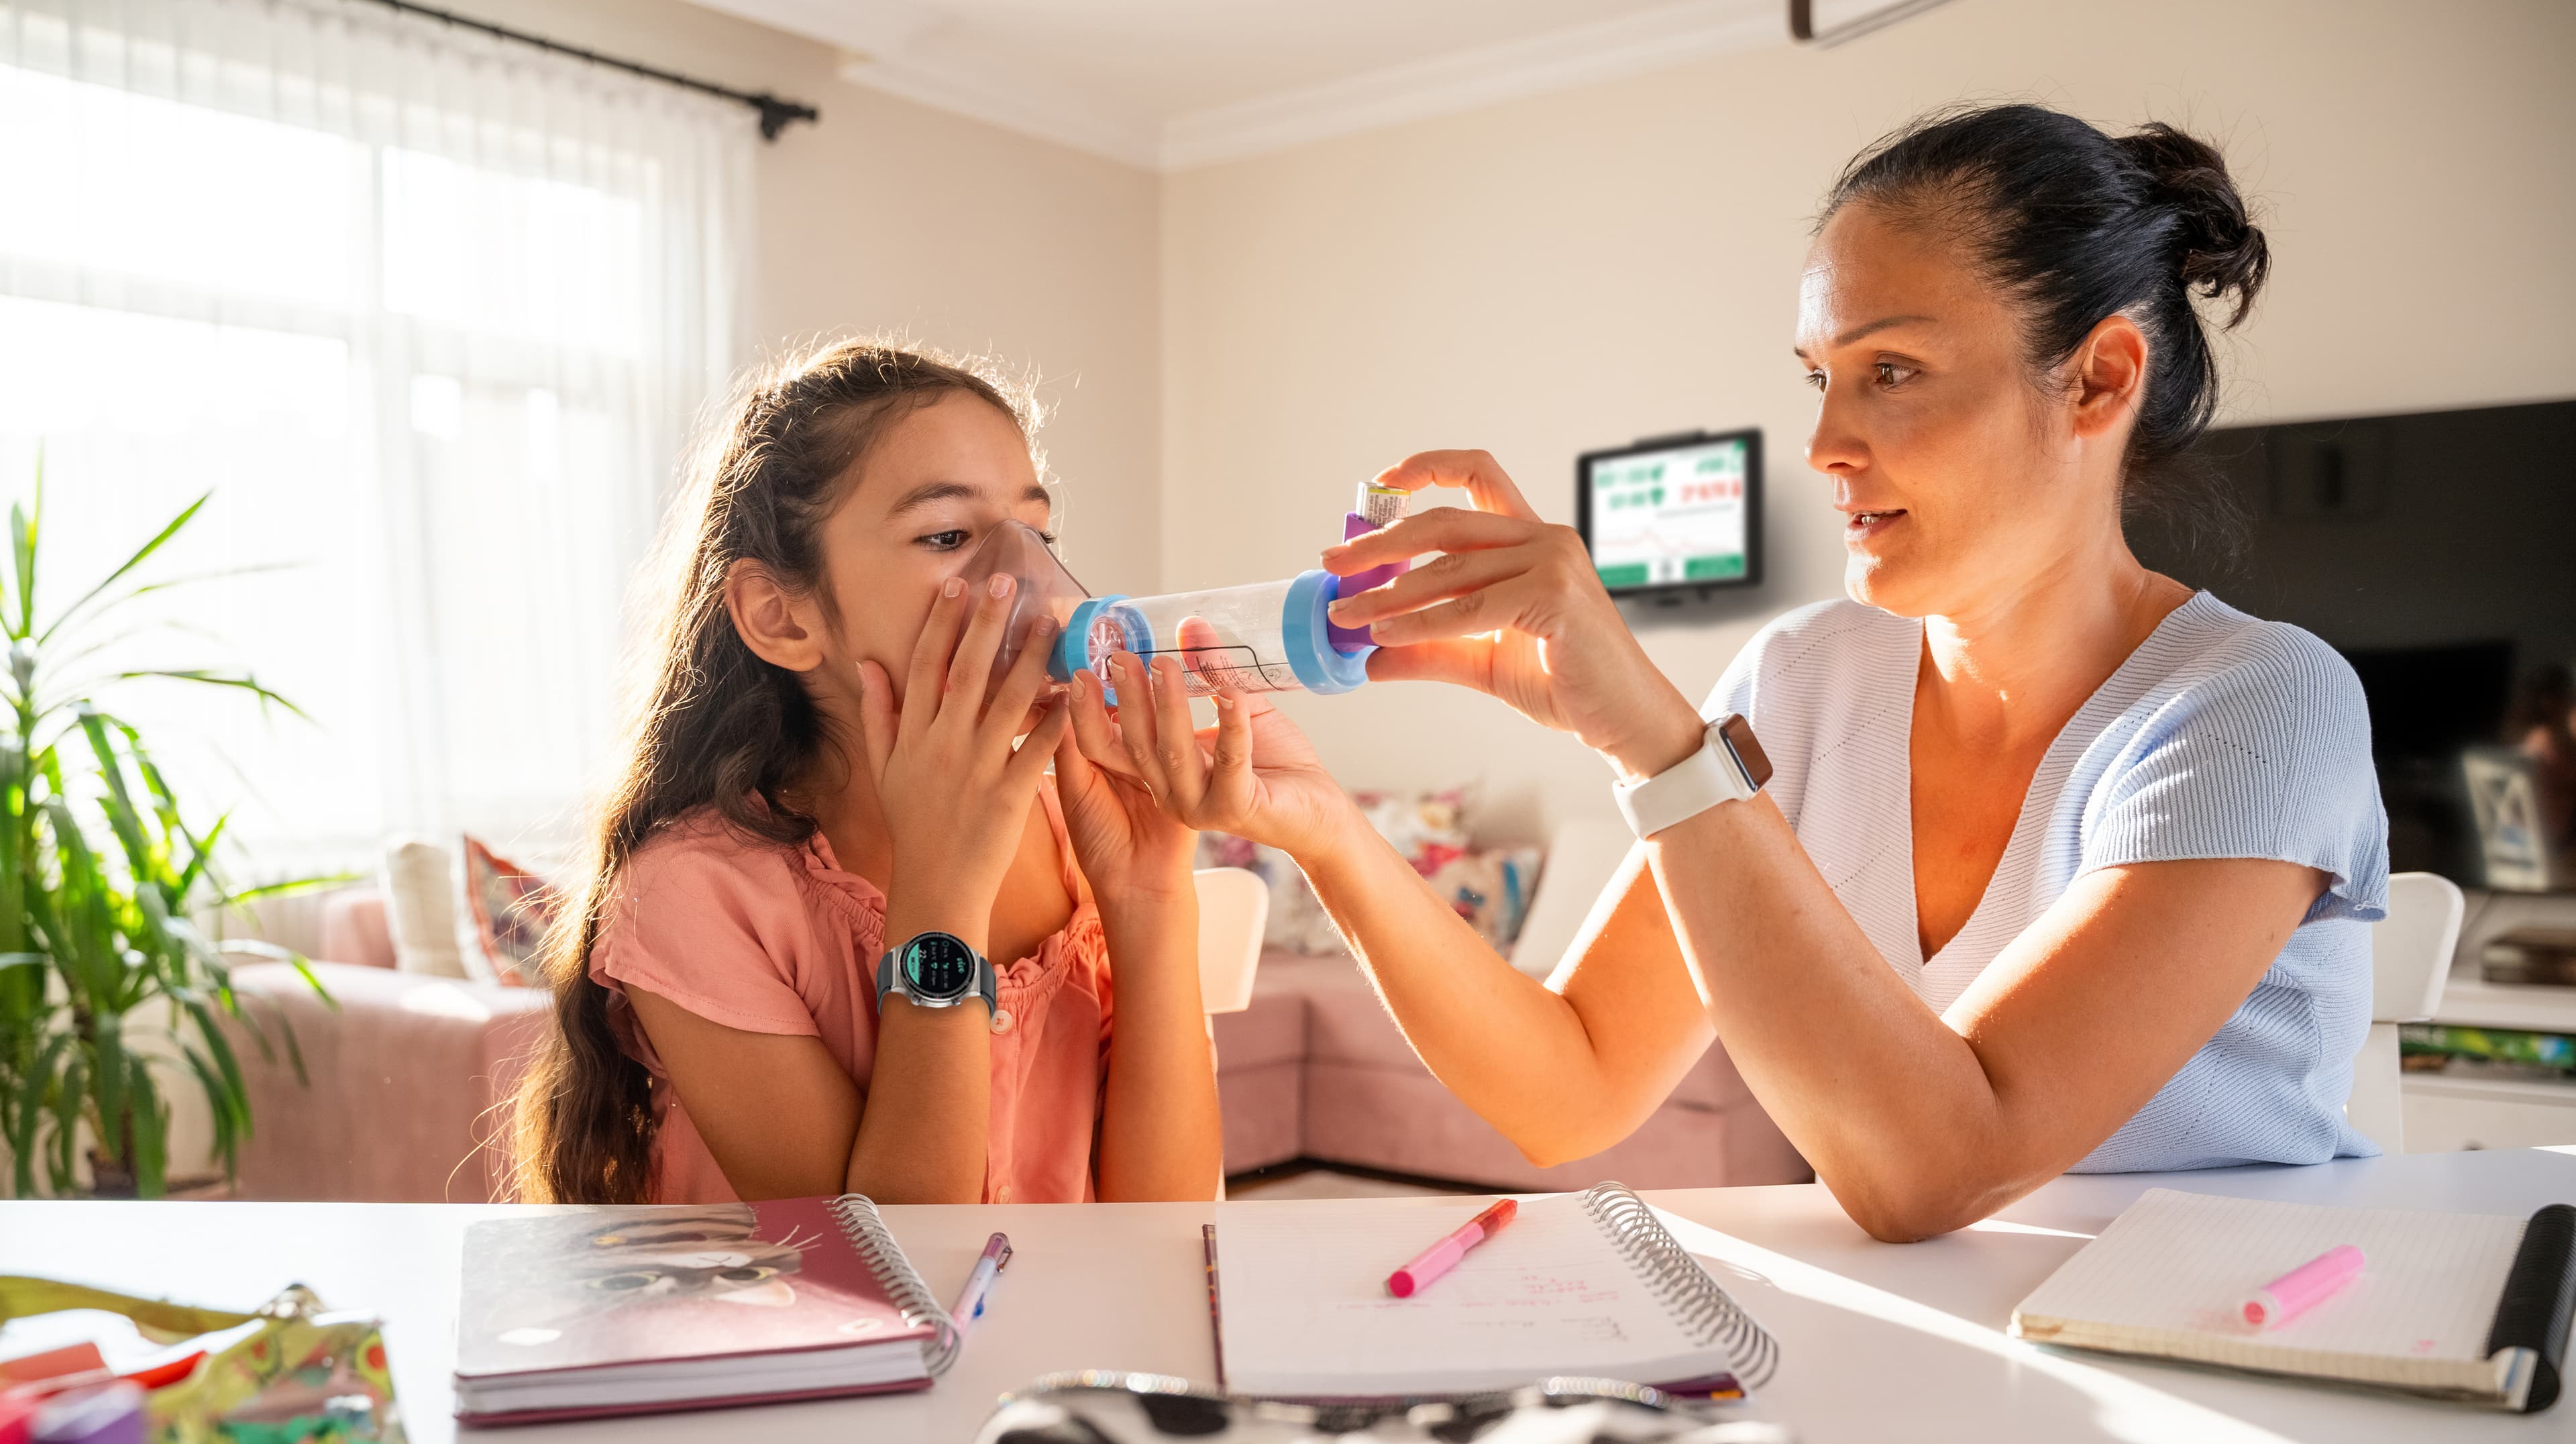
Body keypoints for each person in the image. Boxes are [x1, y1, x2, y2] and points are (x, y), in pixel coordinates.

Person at [1086, 103, 2390, 1241]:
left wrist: (1658, 742)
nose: (1824, 441)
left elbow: (1940, 1164)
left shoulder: (2258, 707)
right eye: (1821, 377)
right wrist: (1318, 826)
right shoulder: (1807, 681)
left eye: (1892, 370)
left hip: (2227, 1361)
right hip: (1943, 1358)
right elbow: (1571, 1087)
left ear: (2099, 379)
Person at [511, 340, 1222, 1206]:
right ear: (781, 617)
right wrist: (943, 893)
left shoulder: (1078, 838)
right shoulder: (695, 895)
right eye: (948, 536)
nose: (1029, 583)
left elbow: (1164, 1219)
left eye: (1034, 533)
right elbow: (893, 1268)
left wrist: (1152, 899)